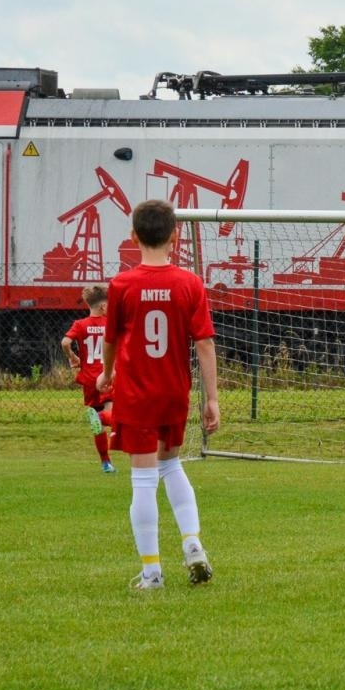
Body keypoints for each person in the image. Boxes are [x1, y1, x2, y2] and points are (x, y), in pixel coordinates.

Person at [97, 199, 220, 591]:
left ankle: (152, 572)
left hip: (136, 394)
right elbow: (204, 344)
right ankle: (192, 542)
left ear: (133, 236)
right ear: (175, 235)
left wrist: (106, 374)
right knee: (171, 466)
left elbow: (112, 339)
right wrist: (212, 399)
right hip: (174, 392)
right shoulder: (190, 283)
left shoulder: (121, 285)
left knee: (144, 480)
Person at [61, 284, 117, 473]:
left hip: (88, 379)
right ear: (103, 307)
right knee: (113, 415)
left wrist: (72, 357)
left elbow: (65, 342)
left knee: (98, 425)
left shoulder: (80, 324)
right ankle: (101, 417)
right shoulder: (109, 324)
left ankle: (106, 463)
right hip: (106, 376)